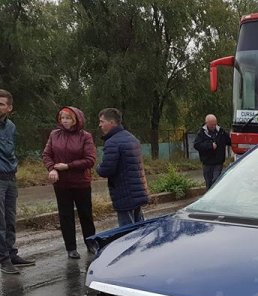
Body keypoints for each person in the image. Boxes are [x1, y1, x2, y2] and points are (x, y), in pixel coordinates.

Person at [42, 107, 97, 259]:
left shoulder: (85, 136)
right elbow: (47, 154)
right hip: (61, 183)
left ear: (76, 120)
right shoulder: (55, 135)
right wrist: (52, 168)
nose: (64, 121)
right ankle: (70, 248)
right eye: (62, 118)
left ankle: (91, 243)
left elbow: (90, 160)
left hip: (81, 182)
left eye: (68, 118)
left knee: (85, 214)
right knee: (65, 216)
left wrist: (68, 166)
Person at [0, 89, 35, 274]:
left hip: (10, 178)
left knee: (11, 218)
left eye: (1, 104)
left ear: (9, 108)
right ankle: (3, 259)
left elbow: (11, 150)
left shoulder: (11, 127)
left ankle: (12, 253)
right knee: (1, 222)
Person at [95, 108, 149, 226]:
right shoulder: (131, 138)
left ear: (112, 123)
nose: (100, 125)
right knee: (140, 227)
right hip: (137, 191)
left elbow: (106, 169)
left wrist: (98, 167)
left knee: (127, 232)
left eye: (102, 121)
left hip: (124, 193)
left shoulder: (113, 142)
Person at [193, 114, 231, 189]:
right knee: (209, 182)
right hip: (207, 163)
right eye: (211, 125)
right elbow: (197, 145)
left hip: (218, 162)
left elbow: (229, 141)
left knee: (215, 181)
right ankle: (208, 197)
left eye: (214, 124)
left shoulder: (221, 132)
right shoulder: (201, 133)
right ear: (206, 123)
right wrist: (210, 146)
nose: (213, 126)